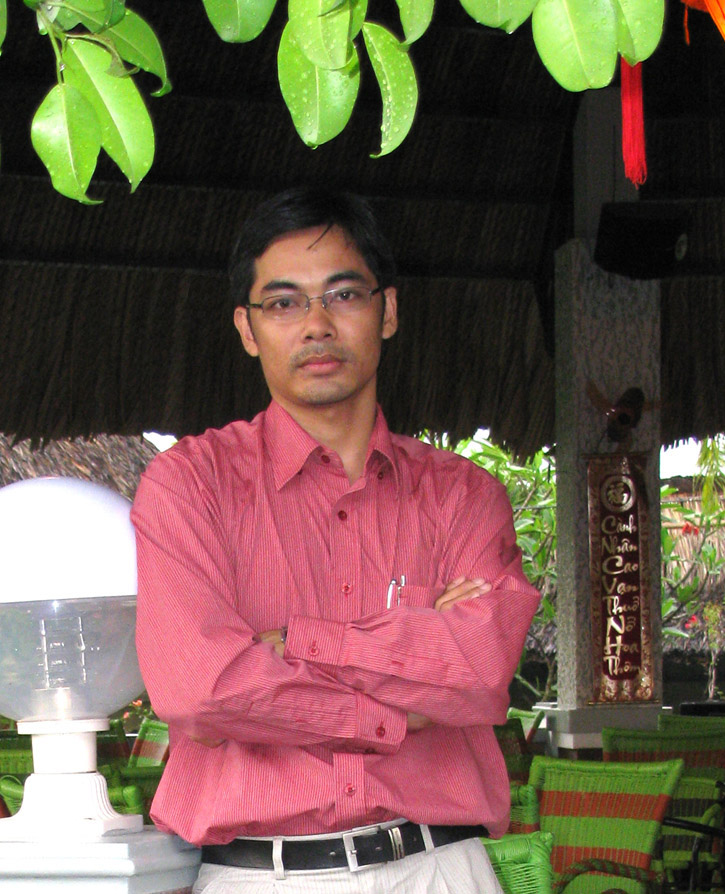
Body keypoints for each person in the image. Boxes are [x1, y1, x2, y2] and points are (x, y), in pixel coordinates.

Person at [131, 186, 540, 893]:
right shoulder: (191, 486)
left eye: (344, 295)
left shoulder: (463, 496)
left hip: (440, 870)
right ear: (247, 328)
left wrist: (297, 644)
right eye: (284, 303)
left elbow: (478, 674)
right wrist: (406, 683)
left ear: (388, 311)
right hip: (260, 877)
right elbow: (202, 691)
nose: (317, 324)